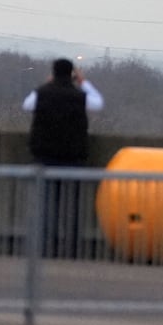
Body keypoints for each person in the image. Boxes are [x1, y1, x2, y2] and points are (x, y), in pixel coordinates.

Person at [23, 58, 103, 256]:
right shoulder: (79, 95)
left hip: (45, 155)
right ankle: (72, 247)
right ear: (72, 75)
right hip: (72, 156)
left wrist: (49, 83)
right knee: (73, 206)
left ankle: (44, 246)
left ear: (53, 73)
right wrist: (84, 82)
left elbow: (27, 104)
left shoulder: (43, 93)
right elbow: (98, 103)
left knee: (45, 204)